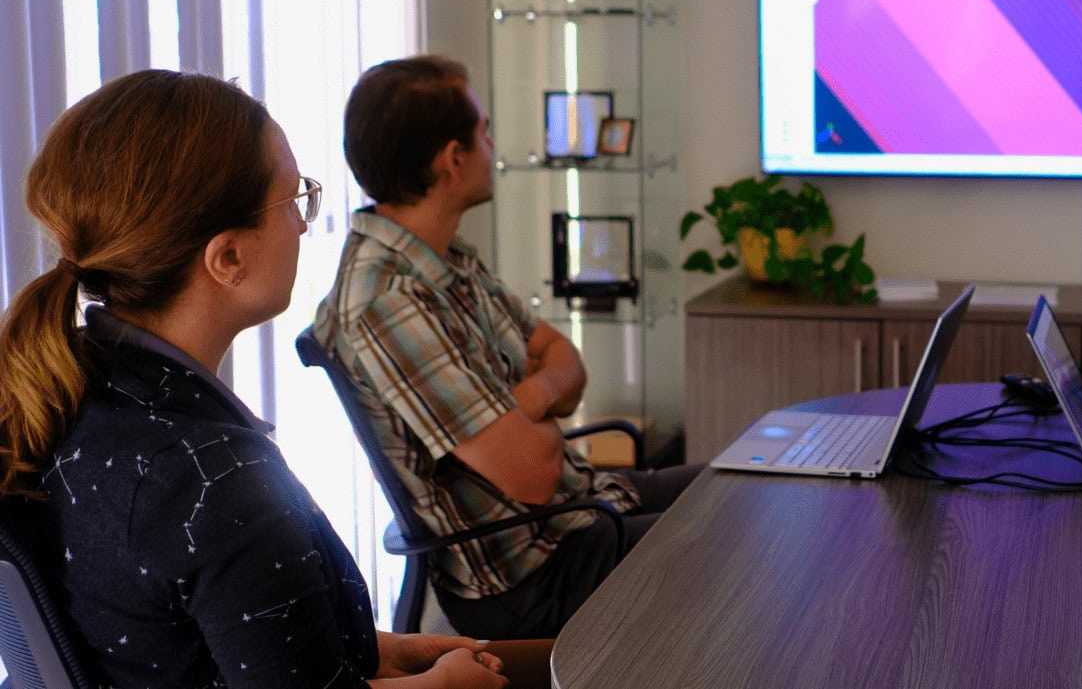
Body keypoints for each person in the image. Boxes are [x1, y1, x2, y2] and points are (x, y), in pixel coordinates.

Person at [0, 70, 558, 688]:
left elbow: (185, 639)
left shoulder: (65, 396)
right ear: (228, 257)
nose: (301, 224)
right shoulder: (216, 477)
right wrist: (449, 684)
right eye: (293, 200)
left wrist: (377, 650)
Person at [313, 54, 701, 640]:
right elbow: (533, 471)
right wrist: (537, 401)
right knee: (731, 551)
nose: (494, 146)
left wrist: (522, 402)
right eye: (484, 132)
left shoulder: (449, 257)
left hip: (582, 508)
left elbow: (567, 365)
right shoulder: (388, 301)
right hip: (534, 573)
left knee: (738, 490)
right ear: (453, 159)